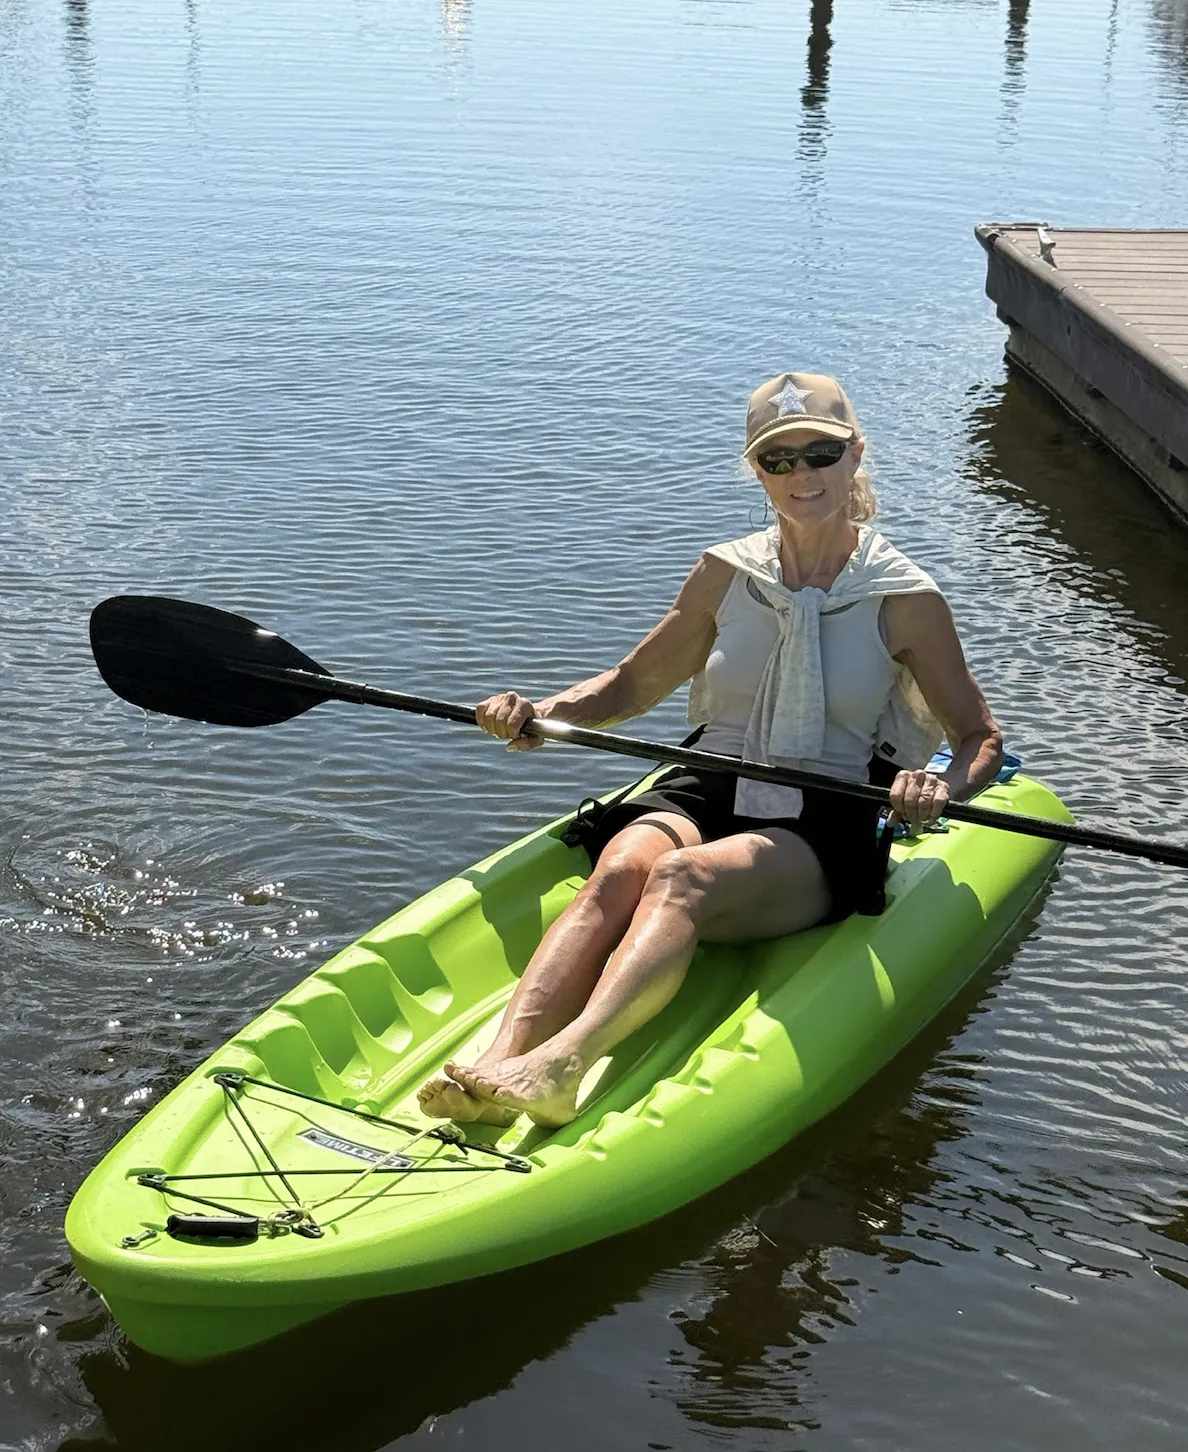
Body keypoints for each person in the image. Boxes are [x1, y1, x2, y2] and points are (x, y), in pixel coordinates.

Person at [418, 372, 1003, 1129]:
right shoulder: (727, 573)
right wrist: (541, 712)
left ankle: (564, 1065)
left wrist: (939, 787)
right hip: (714, 777)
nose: (802, 476)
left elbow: (979, 739)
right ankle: (498, 1063)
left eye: (820, 453)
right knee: (618, 870)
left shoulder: (906, 597)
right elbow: (630, 687)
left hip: (829, 805)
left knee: (681, 876)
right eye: (777, 460)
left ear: (856, 455)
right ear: (755, 471)